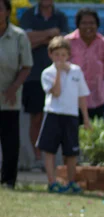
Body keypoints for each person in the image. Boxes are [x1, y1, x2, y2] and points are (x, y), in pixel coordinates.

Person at [37, 36, 91, 193]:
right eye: (56, 54)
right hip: (53, 114)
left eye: (63, 54)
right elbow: (56, 92)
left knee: (71, 151)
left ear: (68, 55)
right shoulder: (47, 73)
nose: (60, 58)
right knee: (49, 150)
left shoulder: (76, 71)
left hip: (71, 115)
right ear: (50, 55)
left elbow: (82, 95)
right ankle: (52, 182)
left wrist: (85, 118)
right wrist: (59, 72)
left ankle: (71, 182)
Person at [19, 0, 68, 170]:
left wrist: (37, 38)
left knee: (54, 119)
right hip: (32, 76)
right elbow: (25, 41)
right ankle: (37, 158)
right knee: (36, 118)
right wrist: (49, 34)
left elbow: (62, 43)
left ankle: (53, 159)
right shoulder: (27, 15)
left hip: (58, 76)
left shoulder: (60, 17)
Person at [0, 0, 33, 189]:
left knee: (10, 140)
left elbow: (26, 65)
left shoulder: (19, 36)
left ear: (7, 12)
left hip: (9, 97)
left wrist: (14, 88)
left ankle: (8, 180)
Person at [65, 8, 104, 121]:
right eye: (84, 23)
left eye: (91, 23)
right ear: (78, 24)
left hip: (97, 97)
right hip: (72, 98)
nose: (88, 26)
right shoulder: (67, 42)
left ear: (97, 25)